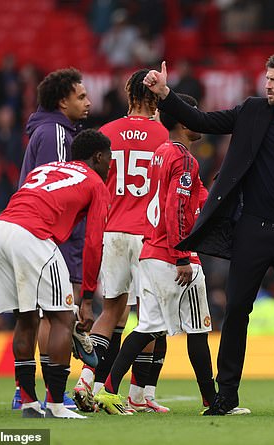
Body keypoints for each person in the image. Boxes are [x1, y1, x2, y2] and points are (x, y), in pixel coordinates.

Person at [143, 51, 274, 416]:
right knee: (236, 310)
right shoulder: (252, 111)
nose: (267, 85)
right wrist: (165, 94)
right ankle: (226, 396)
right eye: (267, 78)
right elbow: (201, 120)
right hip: (251, 227)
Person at [95, 94, 247, 416]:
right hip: (174, 254)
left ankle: (107, 390)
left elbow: (193, 199)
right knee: (198, 329)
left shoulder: (161, 154)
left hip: (150, 251)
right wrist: (182, 256)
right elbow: (175, 208)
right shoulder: (184, 160)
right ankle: (213, 402)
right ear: (182, 121)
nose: (200, 119)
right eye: (194, 114)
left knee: (147, 327)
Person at [0, 129, 111, 419]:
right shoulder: (95, 183)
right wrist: (87, 298)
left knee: (26, 318)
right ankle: (56, 404)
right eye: (109, 159)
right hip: (31, 235)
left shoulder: (47, 168)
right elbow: (94, 243)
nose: (110, 166)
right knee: (63, 319)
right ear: (97, 157)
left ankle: (28, 402)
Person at [72, 69, 170, 413]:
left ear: (129, 94)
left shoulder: (107, 132)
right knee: (148, 316)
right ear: (155, 97)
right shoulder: (163, 135)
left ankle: (86, 381)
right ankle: (138, 395)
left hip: (112, 230)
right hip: (147, 234)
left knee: (111, 310)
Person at [13, 68, 92, 411]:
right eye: (81, 96)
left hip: (29, 232)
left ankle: (25, 394)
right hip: (48, 237)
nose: (88, 102)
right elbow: (57, 191)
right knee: (54, 315)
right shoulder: (57, 134)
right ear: (62, 102)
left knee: (32, 315)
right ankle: (51, 395)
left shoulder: (45, 130)